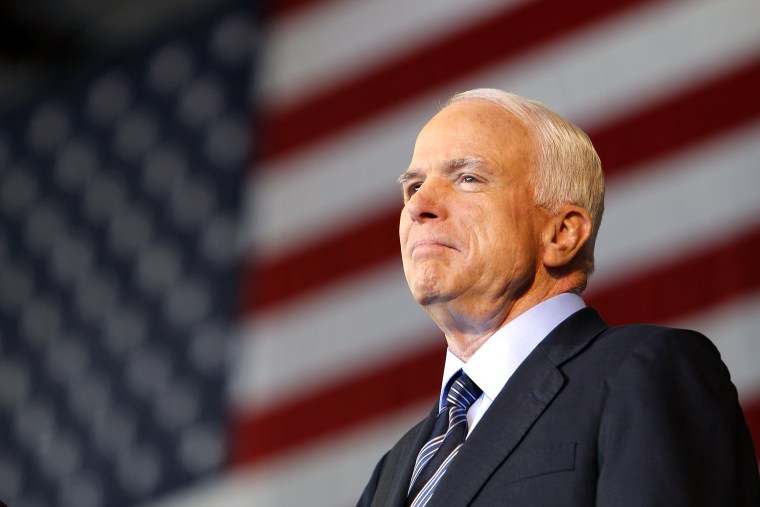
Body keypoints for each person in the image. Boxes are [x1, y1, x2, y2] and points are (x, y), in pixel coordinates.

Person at [357, 89, 760, 506]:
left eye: (468, 178)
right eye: (414, 186)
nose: (419, 205)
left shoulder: (644, 373)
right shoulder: (393, 471)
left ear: (562, 234)